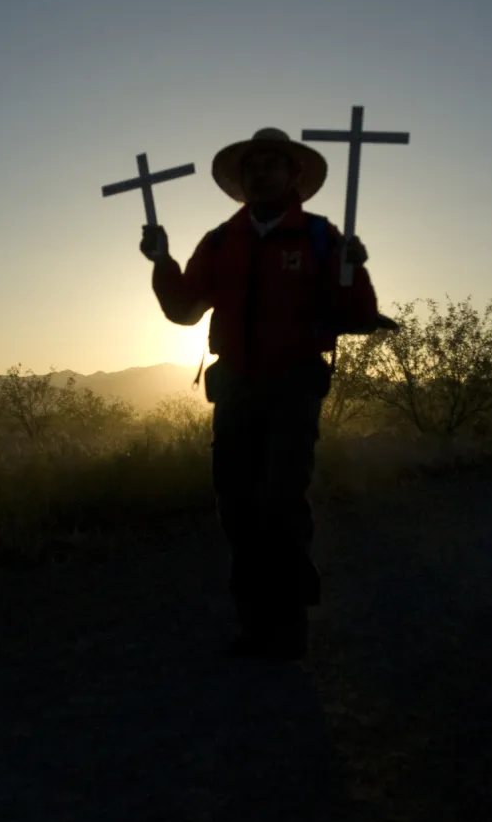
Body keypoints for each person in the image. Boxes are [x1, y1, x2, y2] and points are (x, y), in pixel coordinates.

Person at [139, 127, 387, 661]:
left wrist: (355, 268)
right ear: (241, 179)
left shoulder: (321, 238)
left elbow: (357, 317)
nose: (261, 173)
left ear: (293, 176)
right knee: (237, 506)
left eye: (273, 164)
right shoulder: (221, 242)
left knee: (279, 501)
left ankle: (289, 625)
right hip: (236, 391)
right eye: (254, 165)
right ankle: (256, 625)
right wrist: (161, 261)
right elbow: (184, 310)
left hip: (294, 387)